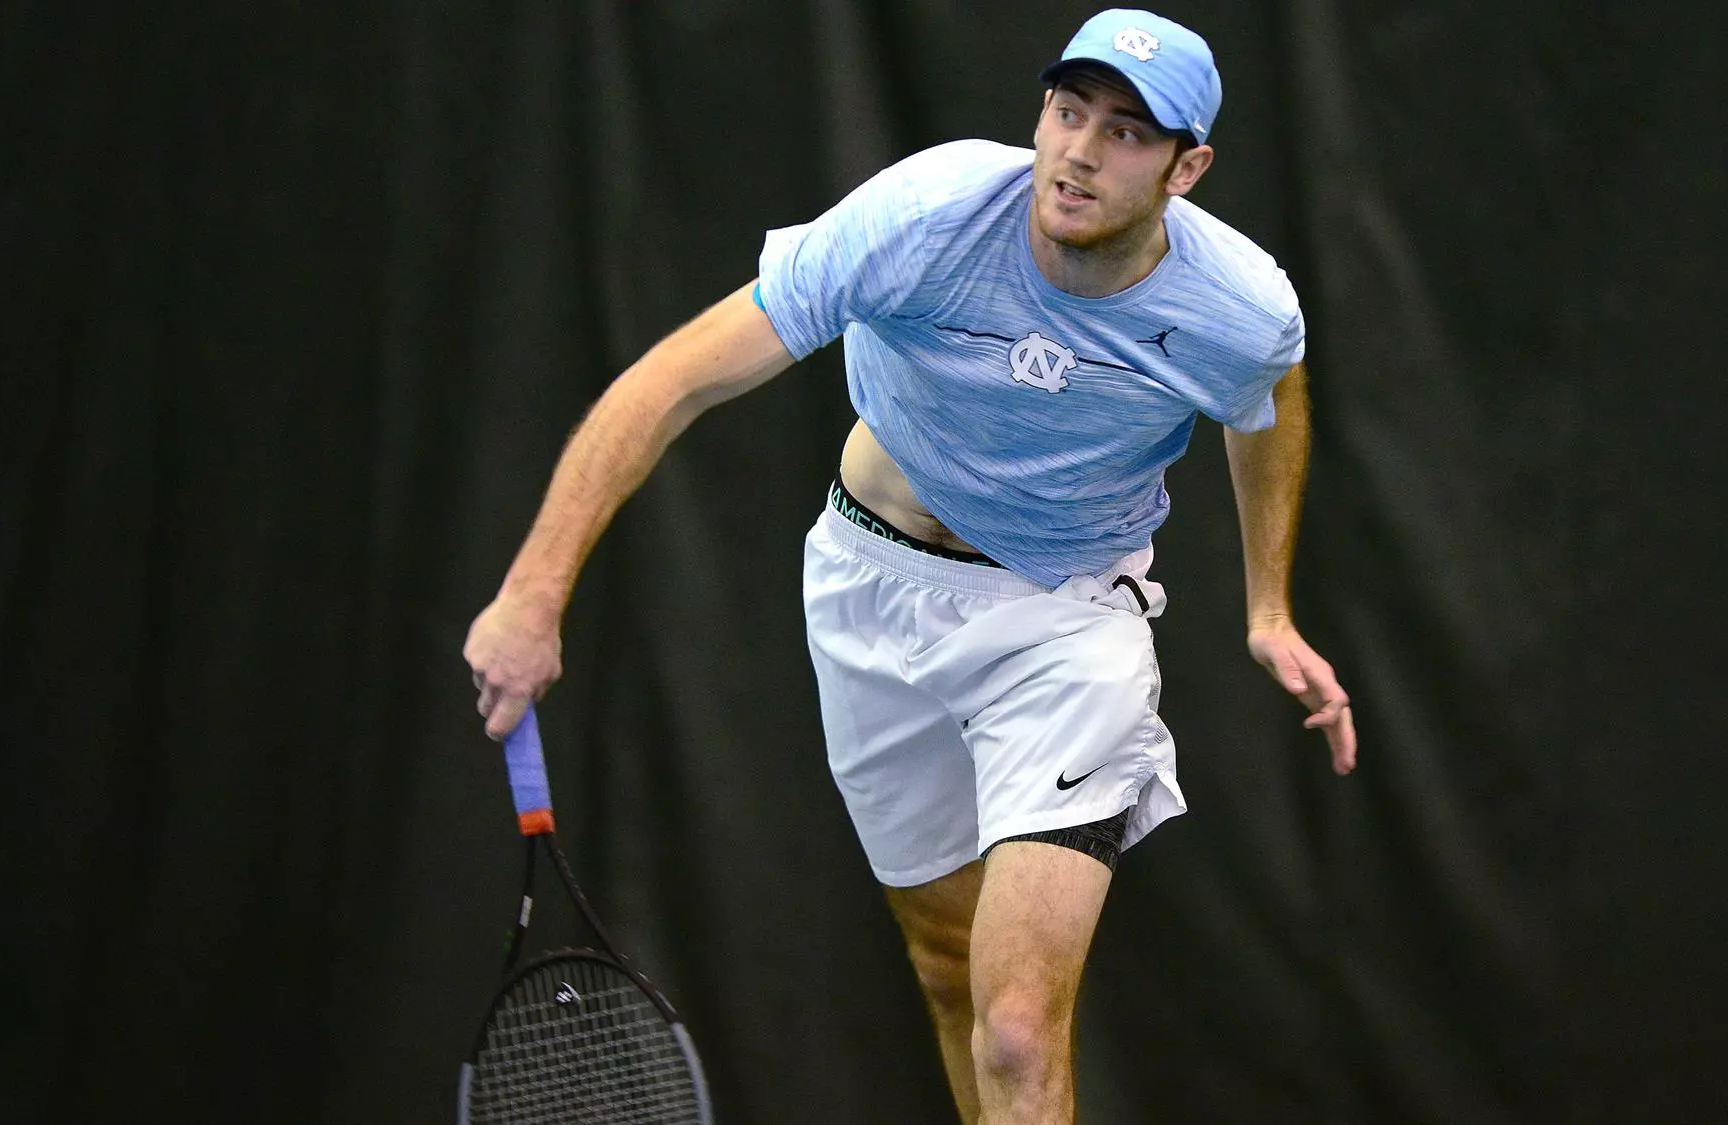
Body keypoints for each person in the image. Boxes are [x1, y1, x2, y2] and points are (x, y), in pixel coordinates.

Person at [464, 8, 1357, 1122]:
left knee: (1018, 1028)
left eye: (1127, 133)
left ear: (1188, 168)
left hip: (1066, 617)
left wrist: (1269, 606)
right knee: (945, 959)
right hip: (870, 592)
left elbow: (1266, 404)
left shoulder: (1238, 308)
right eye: (1068, 111)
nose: (1080, 151)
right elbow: (673, 380)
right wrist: (533, 592)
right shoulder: (925, 215)